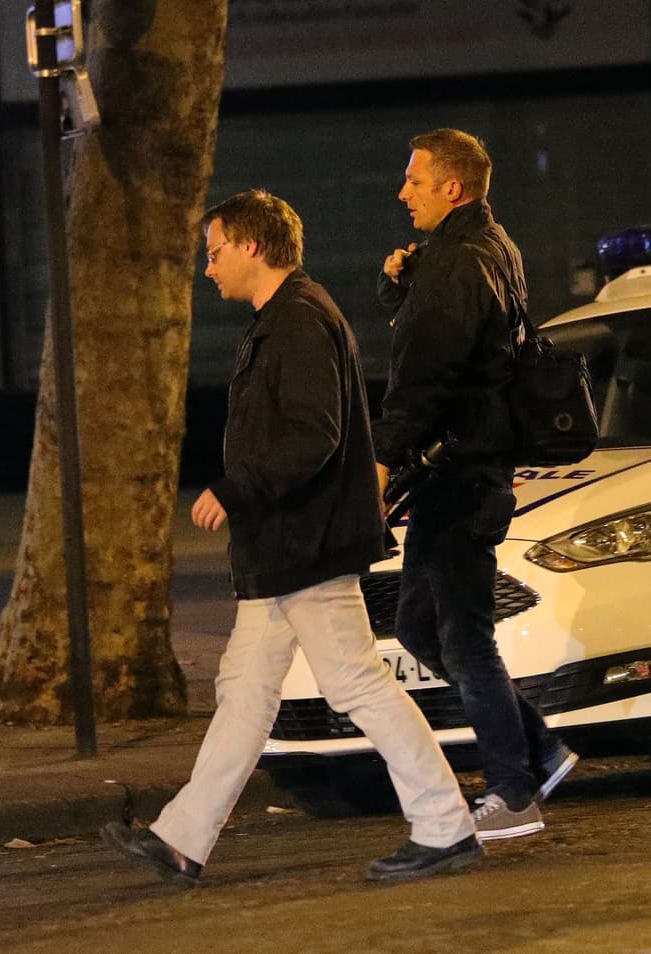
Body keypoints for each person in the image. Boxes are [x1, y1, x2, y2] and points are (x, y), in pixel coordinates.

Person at [101, 190, 481, 886]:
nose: (207, 268)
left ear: (252, 246)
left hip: (305, 545)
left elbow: (314, 436)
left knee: (356, 685)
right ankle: (182, 837)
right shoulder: (286, 318)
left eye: (214, 253)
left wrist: (233, 490)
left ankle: (446, 825)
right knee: (246, 687)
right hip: (287, 548)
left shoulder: (299, 321)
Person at [374, 129, 578, 840]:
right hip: (468, 470)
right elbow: (460, 339)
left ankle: (514, 792)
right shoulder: (489, 246)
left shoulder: (458, 263)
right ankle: (540, 749)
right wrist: (405, 285)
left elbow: (425, 378)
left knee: (462, 638)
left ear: (452, 188)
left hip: (460, 472)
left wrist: (379, 460)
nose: (404, 193)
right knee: (419, 625)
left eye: (415, 180)